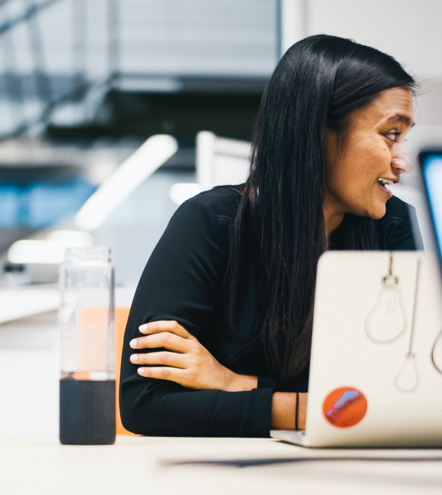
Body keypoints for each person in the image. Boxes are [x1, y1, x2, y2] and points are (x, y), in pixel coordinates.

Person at [119, 34, 422, 438]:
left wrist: (232, 383)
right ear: (319, 132)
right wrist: (313, 407)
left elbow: (400, 402)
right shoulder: (210, 223)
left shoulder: (395, 227)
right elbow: (145, 404)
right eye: (390, 134)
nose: (402, 161)